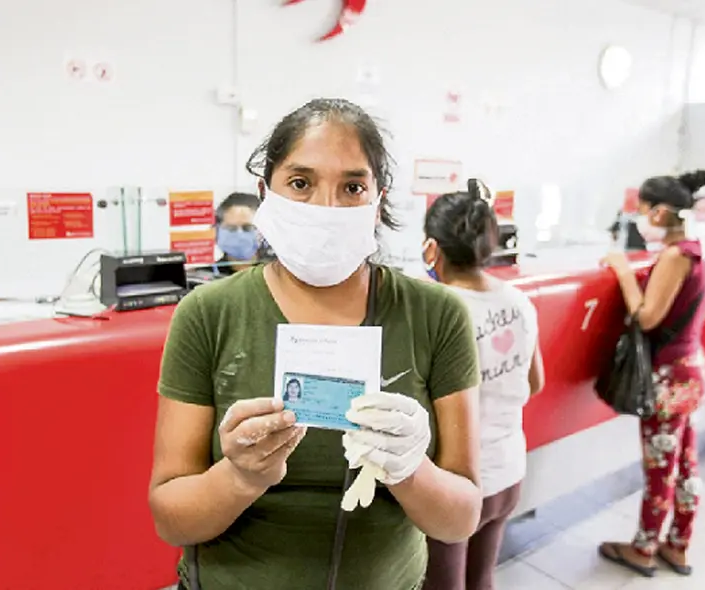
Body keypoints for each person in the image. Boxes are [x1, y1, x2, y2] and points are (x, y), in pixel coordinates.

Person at [149, 98, 483, 590]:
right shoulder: (208, 314)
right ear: (267, 192)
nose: (326, 208)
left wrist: (411, 469)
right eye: (301, 183)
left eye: (352, 187)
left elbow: (460, 520)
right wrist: (239, 477)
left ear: (378, 200)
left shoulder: (436, 315)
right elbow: (170, 519)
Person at [420, 181, 545, 590]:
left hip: (460, 481)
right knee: (481, 580)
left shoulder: (439, 312)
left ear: (431, 249)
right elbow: (536, 382)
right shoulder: (518, 301)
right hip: (508, 469)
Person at [598, 170, 705, 578]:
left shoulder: (674, 255)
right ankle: (679, 545)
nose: (639, 217)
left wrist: (623, 271)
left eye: (643, 210)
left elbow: (647, 317)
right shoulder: (702, 248)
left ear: (661, 211)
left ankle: (644, 548)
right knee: (685, 463)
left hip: (668, 378)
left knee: (659, 470)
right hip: (694, 368)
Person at [214, 192, 262, 276]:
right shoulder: (203, 275)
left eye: (247, 228)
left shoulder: (278, 275)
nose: (240, 235)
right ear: (217, 231)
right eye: (231, 228)